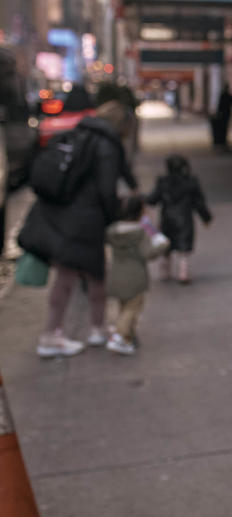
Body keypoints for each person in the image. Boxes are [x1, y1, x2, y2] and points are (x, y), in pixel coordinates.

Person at [18, 101, 135, 357]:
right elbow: (107, 188)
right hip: (84, 220)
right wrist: (113, 215)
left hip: (60, 214)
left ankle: (93, 328)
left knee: (75, 276)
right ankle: (56, 335)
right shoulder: (106, 145)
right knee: (82, 277)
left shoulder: (78, 134)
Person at [104, 195, 167, 355]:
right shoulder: (139, 232)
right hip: (135, 278)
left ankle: (128, 338)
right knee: (132, 309)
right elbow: (148, 253)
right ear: (139, 212)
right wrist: (162, 245)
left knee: (124, 308)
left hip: (116, 276)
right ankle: (119, 336)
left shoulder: (112, 230)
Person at [146, 154, 212, 284]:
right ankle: (183, 272)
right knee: (184, 248)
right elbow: (199, 203)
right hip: (184, 219)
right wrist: (206, 218)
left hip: (167, 218)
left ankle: (165, 272)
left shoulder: (163, 182)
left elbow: (152, 199)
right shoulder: (191, 183)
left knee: (166, 247)